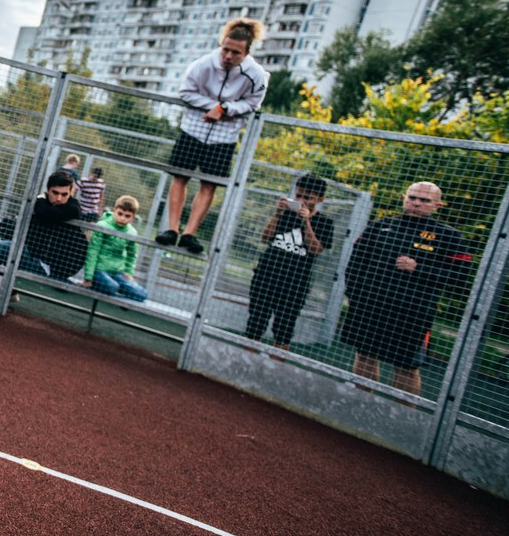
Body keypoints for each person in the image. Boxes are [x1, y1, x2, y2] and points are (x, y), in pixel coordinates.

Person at [342, 182, 471, 396]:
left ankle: (401, 417)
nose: (417, 203)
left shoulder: (450, 237)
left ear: (437, 205)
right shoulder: (380, 226)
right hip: (369, 306)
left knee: (407, 367)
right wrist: (355, 295)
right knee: (365, 355)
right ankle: (360, 405)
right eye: (412, 198)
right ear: (404, 198)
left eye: (424, 200)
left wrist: (419, 268)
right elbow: (355, 264)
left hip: (413, 313)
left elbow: (460, 277)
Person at [155, 19, 268, 254]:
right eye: (225, 49)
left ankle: (189, 233)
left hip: (224, 137)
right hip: (192, 129)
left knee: (209, 184)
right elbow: (185, 91)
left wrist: (226, 109)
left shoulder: (256, 74)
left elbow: (253, 103)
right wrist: (212, 107)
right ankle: (172, 229)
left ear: (246, 53)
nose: (228, 56)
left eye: (235, 52)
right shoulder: (203, 64)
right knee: (180, 177)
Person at [243, 174, 335, 350]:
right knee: (255, 322)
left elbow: (316, 250)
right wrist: (277, 214)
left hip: (295, 283)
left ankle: (276, 367)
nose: (301, 200)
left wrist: (306, 221)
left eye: (307, 197)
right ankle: (246, 361)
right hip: (267, 276)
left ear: (320, 199)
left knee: (284, 329)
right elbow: (265, 237)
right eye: (298, 195)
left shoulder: (325, 223)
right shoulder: (285, 214)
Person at [0, 172, 85, 280]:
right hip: (31, 255)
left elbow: (44, 210)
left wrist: (40, 199)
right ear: (48, 190)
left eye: (64, 194)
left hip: (47, 267)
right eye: (55, 193)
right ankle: (4, 290)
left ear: (70, 193)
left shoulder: (72, 207)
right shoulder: (43, 203)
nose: (59, 198)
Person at [83, 195, 148, 303]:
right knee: (112, 287)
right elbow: (93, 251)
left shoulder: (132, 233)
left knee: (141, 294)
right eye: (120, 214)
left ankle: (115, 288)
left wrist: (129, 273)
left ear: (133, 217)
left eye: (127, 216)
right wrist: (88, 277)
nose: (122, 218)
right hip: (99, 270)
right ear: (114, 211)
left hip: (118, 273)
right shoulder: (102, 225)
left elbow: (132, 255)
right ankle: (105, 285)